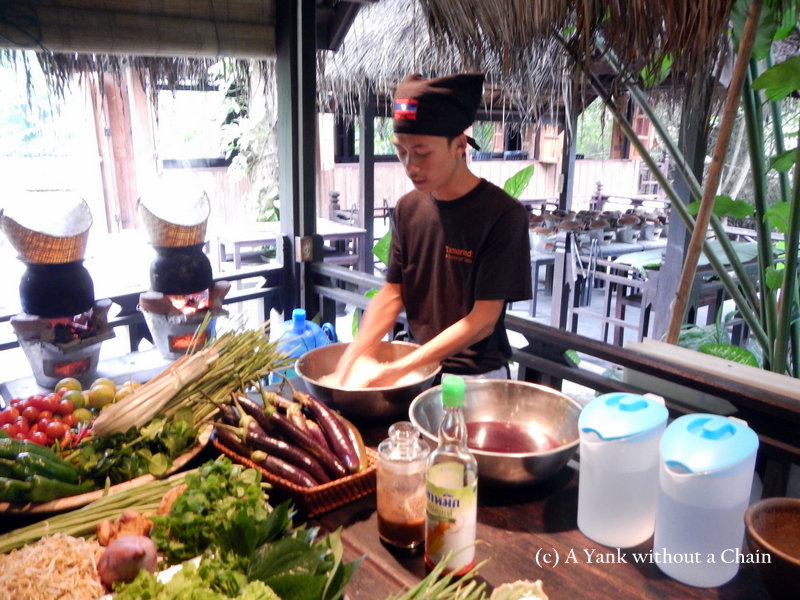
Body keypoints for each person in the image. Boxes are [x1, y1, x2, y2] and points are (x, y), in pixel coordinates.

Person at [336, 72, 532, 387]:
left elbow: (482, 321)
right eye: (401, 150)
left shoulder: (503, 215)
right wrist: (357, 350)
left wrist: (399, 368)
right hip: (418, 370)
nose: (410, 165)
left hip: (475, 379)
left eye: (422, 152)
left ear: (459, 145)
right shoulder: (408, 209)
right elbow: (393, 291)